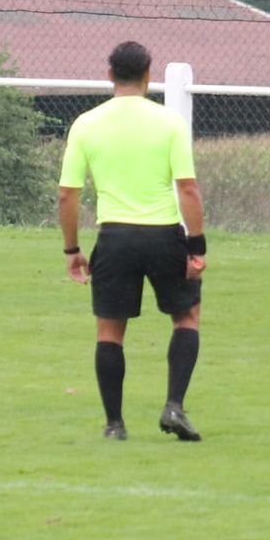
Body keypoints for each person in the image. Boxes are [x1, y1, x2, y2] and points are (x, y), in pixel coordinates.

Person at [57, 40, 206, 441]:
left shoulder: (86, 124)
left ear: (109, 75)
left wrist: (72, 250)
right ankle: (174, 405)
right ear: (148, 75)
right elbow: (188, 189)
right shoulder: (169, 122)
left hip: (114, 237)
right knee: (186, 316)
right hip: (163, 235)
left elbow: (68, 194)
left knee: (110, 331)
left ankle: (114, 425)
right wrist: (197, 247)